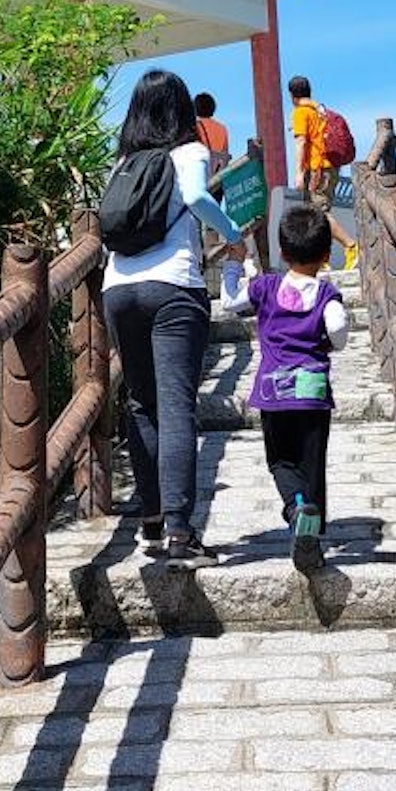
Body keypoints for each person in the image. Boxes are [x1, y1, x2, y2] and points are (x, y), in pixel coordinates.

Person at [100, 68, 246, 567]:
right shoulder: (189, 152)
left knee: (141, 405)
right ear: (182, 110)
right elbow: (198, 198)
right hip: (173, 289)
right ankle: (183, 535)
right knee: (177, 406)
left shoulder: (121, 163)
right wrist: (233, 232)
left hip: (117, 290)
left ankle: (152, 523)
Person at [245, 204, 347, 572]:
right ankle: (313, 534)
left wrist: (233, 267)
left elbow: (231, 301)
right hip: (312, 392)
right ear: (325, 254)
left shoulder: (266, 287)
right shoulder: (326, 294)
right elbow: (338, 334)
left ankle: (296, 504)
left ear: (283, 253)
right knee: (312, 462)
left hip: (273, 393)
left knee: (282, 461)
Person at [289, 73, 337, 210]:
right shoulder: (320, 111)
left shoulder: (301, 112)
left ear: (292, 95)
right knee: (318, 213)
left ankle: (340, 233)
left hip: (316, 170)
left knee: (319, 215)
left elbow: (301, 142)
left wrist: (298, 173)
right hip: (331, 168)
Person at [192, 91, 230, 179]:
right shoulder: (222, 128)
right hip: (217, 177)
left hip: (201, 176)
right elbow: (225, 154)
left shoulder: (194, 126)